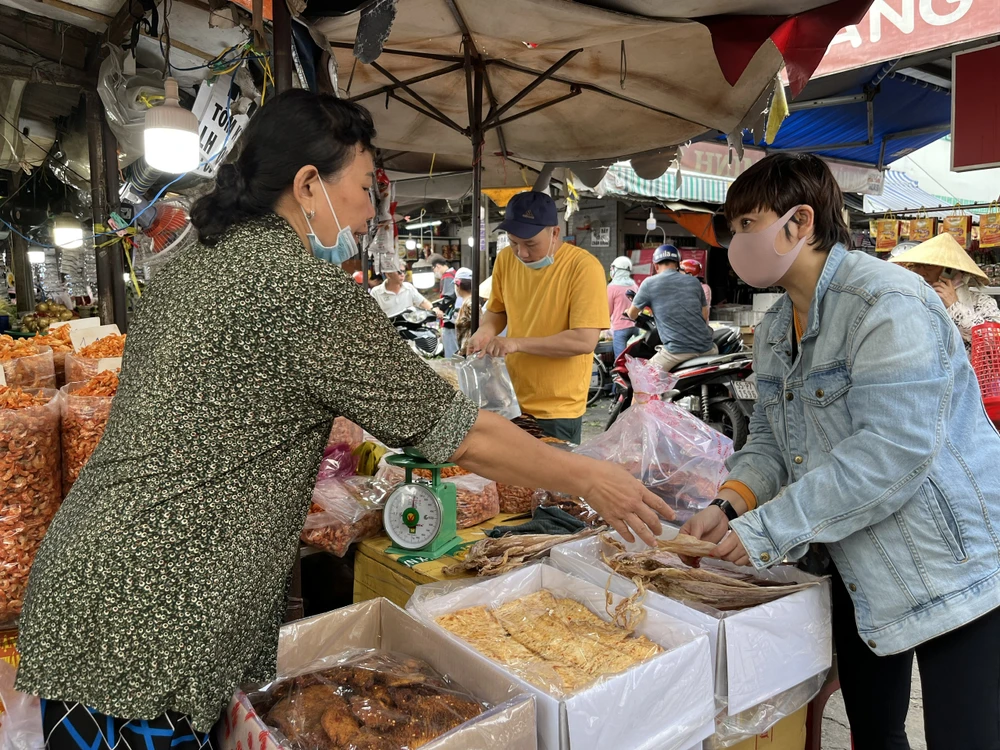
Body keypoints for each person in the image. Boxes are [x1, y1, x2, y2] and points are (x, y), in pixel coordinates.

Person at [16, 90, 671, 750]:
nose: (369, 210)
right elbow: (459, 431)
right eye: (363, 187)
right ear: (307, 186)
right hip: (152, 624)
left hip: (93, 584)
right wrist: (585, 476)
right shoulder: (302, 291)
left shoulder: (192, 269)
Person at [679, 153, 1000, 750]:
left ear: (798, 224)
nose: (734, 243)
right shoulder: (778, 326)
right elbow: (773, 439)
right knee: (873, 732)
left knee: (966, 736)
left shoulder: (888, 303)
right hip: (855, 560)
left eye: (745, 225)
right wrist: (730, 503)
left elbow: (891, 451)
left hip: (947, 561)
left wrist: (766, 529)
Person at [466, 191, 610, 444]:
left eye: (530, 244)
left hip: (556, 408)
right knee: (505, 481)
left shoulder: (583, 268)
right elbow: (498, 310)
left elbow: (584, 341)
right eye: (513, 242)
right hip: (507, 398)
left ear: (554, 233)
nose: (521, 253)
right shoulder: (505, 259)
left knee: (549, 482)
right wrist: (485, 332)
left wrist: (516, 343)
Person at [890, 233, 1000, 353]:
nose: (921, 272)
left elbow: (993, 344)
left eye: (929, 266)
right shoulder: (907, 299)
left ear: (950, 271)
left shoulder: (982, 302)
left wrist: (955, 307)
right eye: (916, 266)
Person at [627, 244, 715, 372]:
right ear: (678, 264)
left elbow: (632, 315)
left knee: (642, 377)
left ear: (655, 265)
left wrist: (629, 313)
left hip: (676, 352)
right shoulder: (694, 282)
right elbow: (704, 315)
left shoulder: (649, 283)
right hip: (708, 348)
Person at [369, 266, 441, 319]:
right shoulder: (376, 292)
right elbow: (371, 314)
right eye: (399, 272)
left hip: (408, 328)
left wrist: (433, 309)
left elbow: (422, 302)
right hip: (387, 331)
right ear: (388, 274)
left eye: (404, 272)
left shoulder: (408, 287)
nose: (402, 275)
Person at [607, 255, 638, 360]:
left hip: (620, 329)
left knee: (620, 360)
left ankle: (619, 377)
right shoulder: (634, 285)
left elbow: (608, 311)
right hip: (636, 327)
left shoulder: (612, 288)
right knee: (634, 360)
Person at [453, 267, 475, 354]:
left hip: (471, 352)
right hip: (465, 352)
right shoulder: (466, 302)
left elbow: (480, 324)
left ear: (458, 285)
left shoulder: (470, 303)